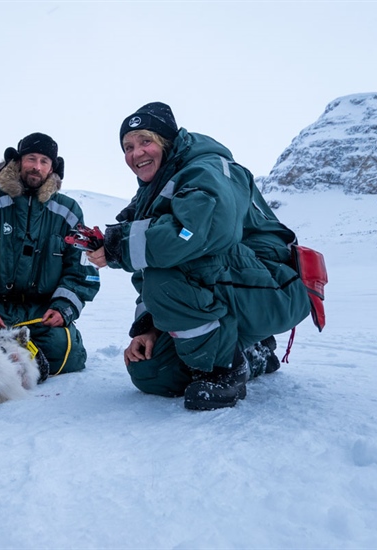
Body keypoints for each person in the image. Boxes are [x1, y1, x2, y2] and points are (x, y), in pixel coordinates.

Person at [86, 102, 311, 410]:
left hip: (274, 286)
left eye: (145, 141)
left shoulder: (206, 168)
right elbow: (149, 265)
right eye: (128, 146)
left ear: (166, 141)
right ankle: (252, 355)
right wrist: (148, 327)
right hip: (230, 286)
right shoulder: (152, 193)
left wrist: (118, 245)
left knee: (168, 269)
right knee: (150, 372)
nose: (136, 153)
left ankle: (224, 371)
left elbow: (199, 233)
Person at [0, 133, 100, 376]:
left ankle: (15, 365)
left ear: (52, 167)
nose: (37, 167)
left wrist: (63, 308)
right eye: (31, 158)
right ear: (18, 161)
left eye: (44, 161)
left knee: (67, 356)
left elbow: (82, 268)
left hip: (42, 315)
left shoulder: (68, 211)